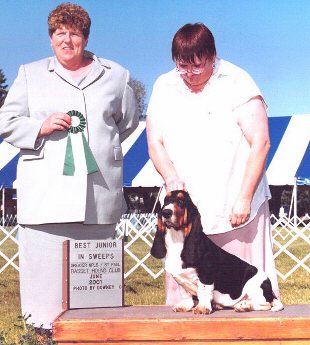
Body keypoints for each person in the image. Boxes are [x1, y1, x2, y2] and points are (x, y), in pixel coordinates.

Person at [0, 3, 138, 329]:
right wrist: (39, 128)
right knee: (43, 302)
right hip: (46, 199)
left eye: (74, 33)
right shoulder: (30, 74)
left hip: (98, 197)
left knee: (96, 298)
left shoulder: (116, 76)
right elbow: (5, 121)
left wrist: (103, 145)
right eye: (59, 33)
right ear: (50, 39)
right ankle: (40, 333)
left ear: (85, 38)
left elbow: (128, 123)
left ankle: (96, 333)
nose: (66, 40)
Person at [146, 23, 281, 305]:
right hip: (184, 215)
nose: (189, 75)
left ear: (212, 56)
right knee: (188, 297)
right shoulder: (164, 85)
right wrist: (170, 177)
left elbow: (261, 142)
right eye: (182, 67)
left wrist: (243, 198)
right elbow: (155, 142)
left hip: (236, 212)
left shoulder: (238, 81)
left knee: (243, 294)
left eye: (197, 67)